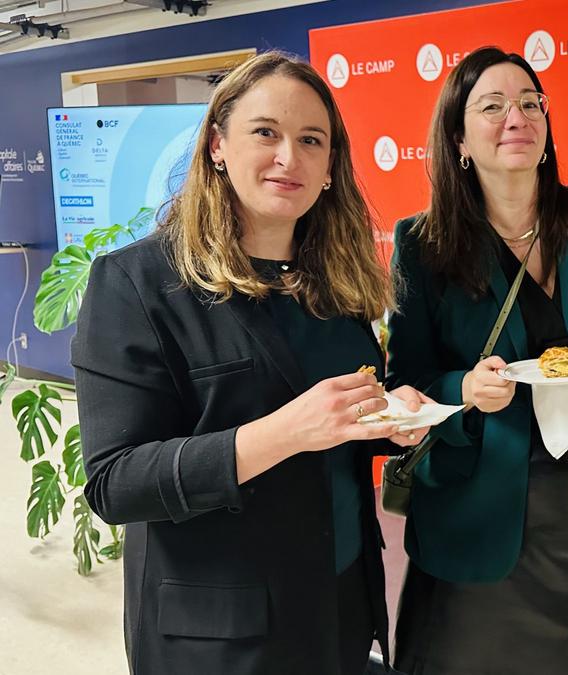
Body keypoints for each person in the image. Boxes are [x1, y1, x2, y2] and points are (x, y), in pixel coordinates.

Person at [73, 52, 433, 675]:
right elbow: (116, 483)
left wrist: (389, 420)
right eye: (266, 132)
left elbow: (334, 426)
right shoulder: (137, 282)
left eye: (311, 140)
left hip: (341, 603)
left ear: (330, 167)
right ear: (217, 145)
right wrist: (285, 432)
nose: (289, 157)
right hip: (222, 635)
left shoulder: (333, 280)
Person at [385, 46, 568, 674]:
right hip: (475, 507)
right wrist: (465, 389)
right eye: (492, 106)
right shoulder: (423, 244)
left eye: (529, 103)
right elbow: (406, 382)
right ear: (459, 139)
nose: (516, 117)